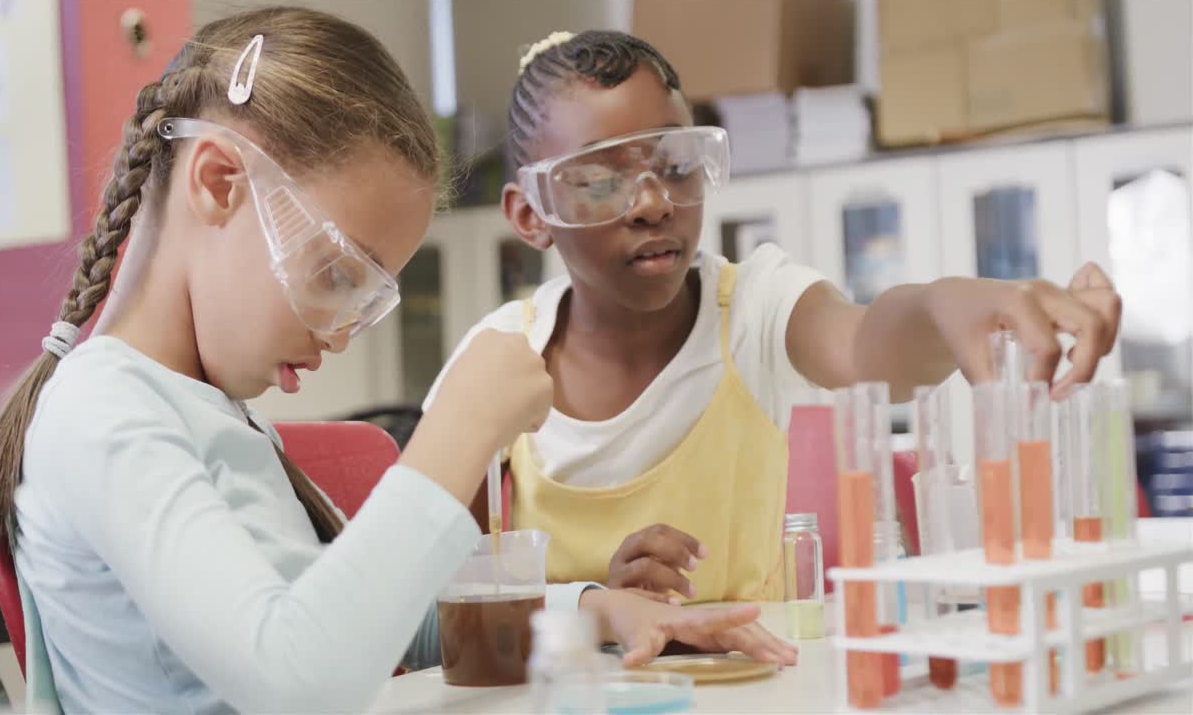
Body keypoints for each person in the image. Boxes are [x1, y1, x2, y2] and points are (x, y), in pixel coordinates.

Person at [0, 11, 793, 714]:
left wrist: (597, 610)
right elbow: (294, 680)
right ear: (219, 183)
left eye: (366, 299)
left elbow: (390, 630)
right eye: (335, 276)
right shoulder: (104, 413)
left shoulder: (213, 416)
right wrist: (458, 430)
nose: (341, 333)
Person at [426, 30, 1121, 605]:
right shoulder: (501, 358)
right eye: (601, 180)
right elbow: (441, 595)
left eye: (677, 164)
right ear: (530, 214)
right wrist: (595, 604)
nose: (653, 203)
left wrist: (942, 304)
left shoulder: (754, 306)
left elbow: (865, 347)